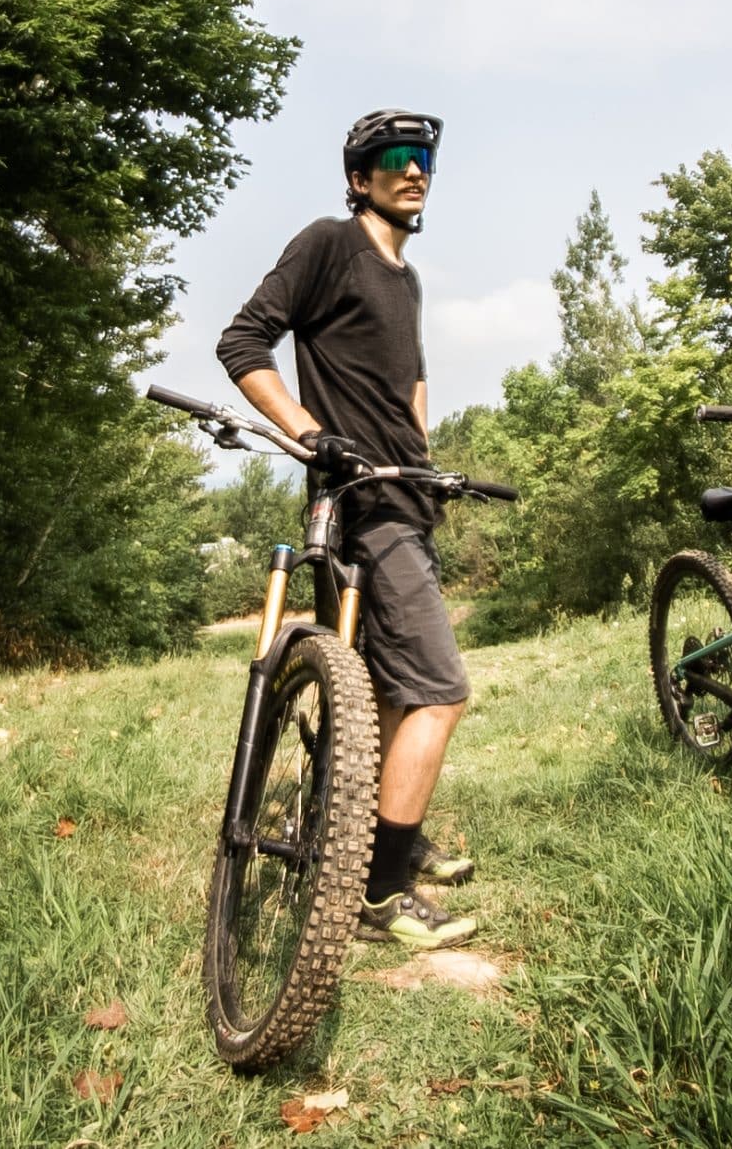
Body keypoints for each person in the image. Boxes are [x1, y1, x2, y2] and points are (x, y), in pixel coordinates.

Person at [216, 110, 479, 952]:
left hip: (409, 499)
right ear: (361, 176)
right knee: (441, 690)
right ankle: (379, 889)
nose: (415, 170)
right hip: (360, 504)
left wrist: (425, 452)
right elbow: (243, 339)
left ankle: (380, 834)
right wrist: (305, 428)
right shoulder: (331, 242)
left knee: (395, 692)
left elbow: (412, 378)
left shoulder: (406, 278)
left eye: (425, 158)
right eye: (395, 159)